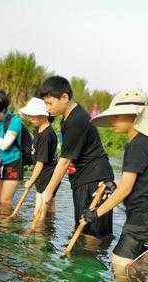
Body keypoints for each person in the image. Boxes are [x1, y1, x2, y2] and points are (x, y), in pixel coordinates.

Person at [83, 89, 148, 282]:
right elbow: (136, 182)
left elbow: (126, 189)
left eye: (117, 117)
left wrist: (96, 213)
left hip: (146, 213)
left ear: (133, 116)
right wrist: (113, 186)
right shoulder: (142, 141)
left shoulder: (137, 144)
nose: (113, 121)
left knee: (119, 262)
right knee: (138, 263)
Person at [37, 76, 115, 239]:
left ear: (64, 97)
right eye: (45, 103)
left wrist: (48, 193)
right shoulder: (68, 117)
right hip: (83, 178)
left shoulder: (76, 120)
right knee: (83, 228)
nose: (47, 108)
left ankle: (90, 263)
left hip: (94, 179)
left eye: (50, 103)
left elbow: (64, 161)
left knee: (92, 233)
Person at [19, 97, 58, 217]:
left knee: (39, 213)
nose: (31, 119)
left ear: (44, 115)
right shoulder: (38, 130)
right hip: (45, 175)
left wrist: (31, 181)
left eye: (34, 115)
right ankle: (48, 229)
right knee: (49, 210)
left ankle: (39, 232)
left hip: (46, 176)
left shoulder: (46, 135)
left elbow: (40, 162)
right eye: (30, 115)